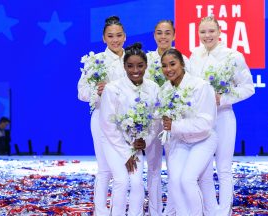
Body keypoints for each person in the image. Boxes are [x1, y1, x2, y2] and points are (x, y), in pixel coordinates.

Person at [190, 16, 255, 215]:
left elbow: (248, 88)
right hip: (200, 120)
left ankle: (224, 212)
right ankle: (210, 211)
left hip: (223, 117)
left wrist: (223, 98)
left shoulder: (233, 56)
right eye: (203, 32)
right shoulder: (194, 55)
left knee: (224, 168)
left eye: (211, 31)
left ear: (219, 32)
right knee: (204, 171)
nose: (207, 35)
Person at [99, 43, 159, 215]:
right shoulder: (113, 88)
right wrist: (126, 154)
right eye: (130, 66)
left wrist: (145, 141)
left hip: (136, 145)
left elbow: (155, 120)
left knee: (137, 182)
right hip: (113, 142)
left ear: (146, 66)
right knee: (122, 181)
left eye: (140, 66)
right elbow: (108, 125)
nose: (135, 70)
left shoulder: (153, 87)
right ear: (124, 66)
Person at [77, 15, 126, 215]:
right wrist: (96, 92)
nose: (115, 40)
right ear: (104, 38)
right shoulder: (95, 61)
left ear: (125, 36)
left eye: (119, 35)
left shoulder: (132, 60)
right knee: (105, 168)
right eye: (110, 36)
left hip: (127, 121)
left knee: (123, 171)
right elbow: (81, 92)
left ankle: (118, 209)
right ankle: (101, 211)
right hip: (101, 118)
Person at [160, 48, 218, 215]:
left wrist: (175, 125)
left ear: (182, 64)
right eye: (164, 66)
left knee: (187, 179)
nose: (168, 69)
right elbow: (162, 117)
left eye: (172, 64)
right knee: (175, 181)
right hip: (180, 141)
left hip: (204, 140)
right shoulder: (165, 90)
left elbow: (206, 124)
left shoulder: (200, 86)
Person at [145, 20, 191, 216]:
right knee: (153, 168)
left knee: (175, 169)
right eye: (159, 33)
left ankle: (173, 211)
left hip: (174, 122)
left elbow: (189, 90)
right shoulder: (146, 59)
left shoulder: (184, 60)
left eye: (167, 33)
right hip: (152, 121)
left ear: (174, 35)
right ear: (154, 35)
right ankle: (155, 211)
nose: (163, 36)